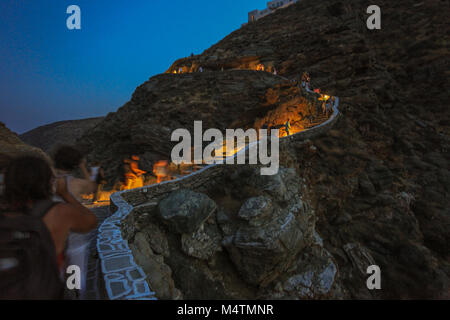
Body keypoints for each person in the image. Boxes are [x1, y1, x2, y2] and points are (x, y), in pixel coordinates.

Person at [0, 156, 97, 299]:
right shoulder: (58, 212)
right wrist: (65, 193)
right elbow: (91, 221)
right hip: (48, 287)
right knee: (75, 282)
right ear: (46, 181)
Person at [52, 146, 98, 299]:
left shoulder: (46, 182)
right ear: (74, 164)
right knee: (77, 277)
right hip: (75, 239)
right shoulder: (76, 183)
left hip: (53, 238)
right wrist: (83, 166)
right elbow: (92, 186)